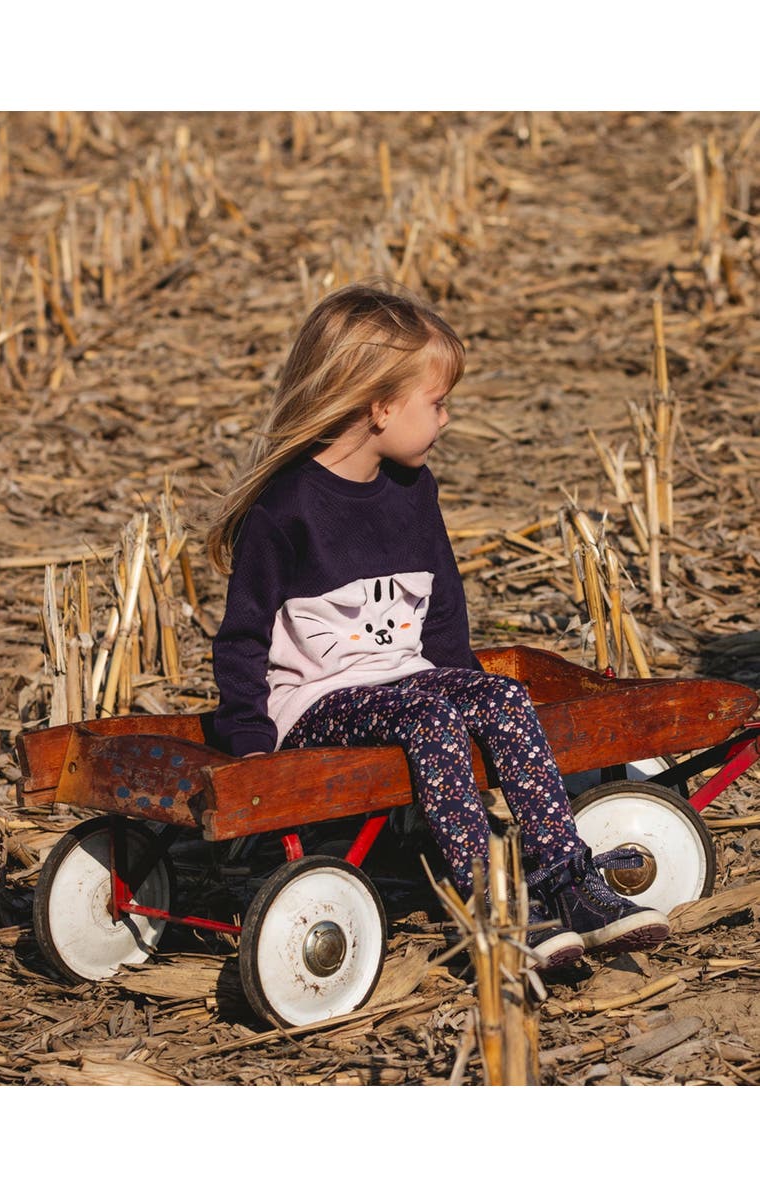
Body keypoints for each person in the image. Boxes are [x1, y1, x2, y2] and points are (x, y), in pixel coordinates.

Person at [207, 282, 669, 970]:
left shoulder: (411, 490)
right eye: (438, 403)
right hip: (319, 702)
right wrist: (250, 741)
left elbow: (444, 613)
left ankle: (568, 882)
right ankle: (491, 905)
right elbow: (242, 637)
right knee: (427, 714)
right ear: (380, 406)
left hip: (407, 684)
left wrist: (472, 694)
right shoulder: (288, 509)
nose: (447, 419)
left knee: (503, 698)